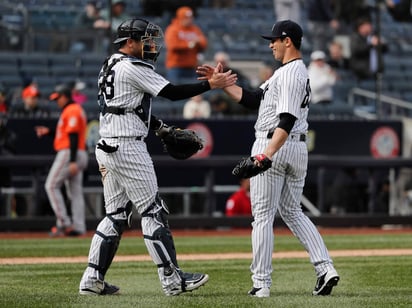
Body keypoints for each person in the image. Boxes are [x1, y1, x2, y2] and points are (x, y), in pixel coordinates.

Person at [78, 18, 237, 296]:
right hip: (128, 148)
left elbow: (128, 107)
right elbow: (172, 93)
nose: (152, 45)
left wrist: (161, 128)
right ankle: (172, 279)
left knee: (116, 215)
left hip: (108, 145)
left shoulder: (110, 65)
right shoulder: (132, 66)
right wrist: (210, 85)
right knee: (153, 211)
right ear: (130, 42)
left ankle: (92, 278)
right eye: (146, 39)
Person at [197, 19, 339, 297]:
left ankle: (261, 283)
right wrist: (222, 85)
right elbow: (253, 100)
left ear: (288, 41)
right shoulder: (286, 72)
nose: (271, 44)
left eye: (274, 39)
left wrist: (266, 154)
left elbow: (286, 118)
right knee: (292, 211)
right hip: (295, 148)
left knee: (262, 216)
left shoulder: (290, 73)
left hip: (275, 142)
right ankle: (325, 268)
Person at [35, 84, 88, 237]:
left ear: (65, 96)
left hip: (70, 153)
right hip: (77, 152)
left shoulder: (72, 110)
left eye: (58, 98)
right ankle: (79, 227)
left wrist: (71, 160)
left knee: (51, 185)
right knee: (75, 192)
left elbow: (73, 136)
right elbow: (67, 134)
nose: (57, 101)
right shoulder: (72, 110)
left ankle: (64, 223)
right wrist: (49, 132)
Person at [164, 6, 208, 83]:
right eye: (186, 18)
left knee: (193, 92)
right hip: (176, 67)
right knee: (174, 92)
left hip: (191, 66)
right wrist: (190, 44)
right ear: (180, 18)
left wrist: (197, 43)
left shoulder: (195, 29)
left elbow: (203, 43)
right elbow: (173, 46)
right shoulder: (173, 29)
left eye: (190, 17)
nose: (189, 20)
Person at [349, 17, 388, 81]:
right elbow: (357, 50)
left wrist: (382, 43)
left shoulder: (374, 36)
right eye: (366, 26)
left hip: (376, 73)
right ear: (360, 27)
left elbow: (385, 50)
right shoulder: (355, 37)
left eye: (369, 25)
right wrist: (371, 45)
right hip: (361, 73)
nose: (369, 28)